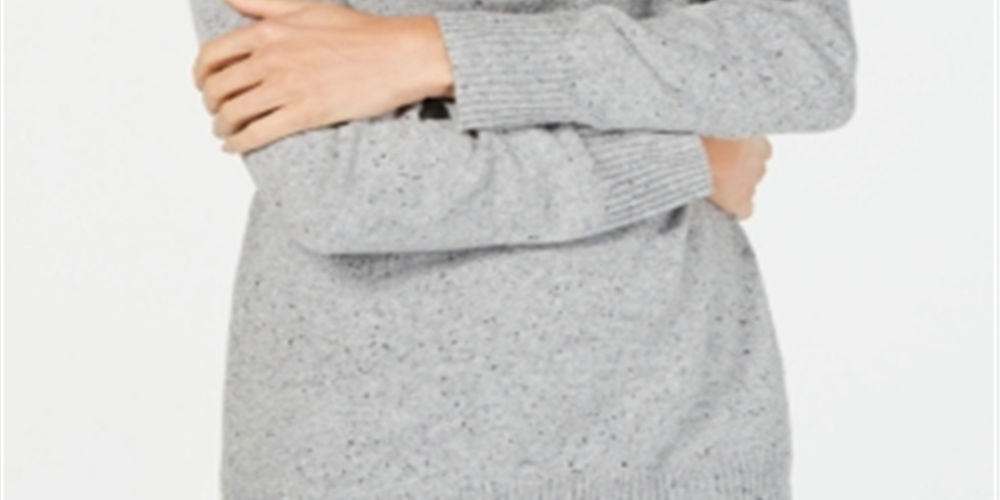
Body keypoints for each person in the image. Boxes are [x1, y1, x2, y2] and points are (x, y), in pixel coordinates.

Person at [188, 0, 855, 497]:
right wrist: (687, 158)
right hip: (365, 450)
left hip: (675, 431)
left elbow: (801, 60)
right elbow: (342, 189)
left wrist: (436, 52)